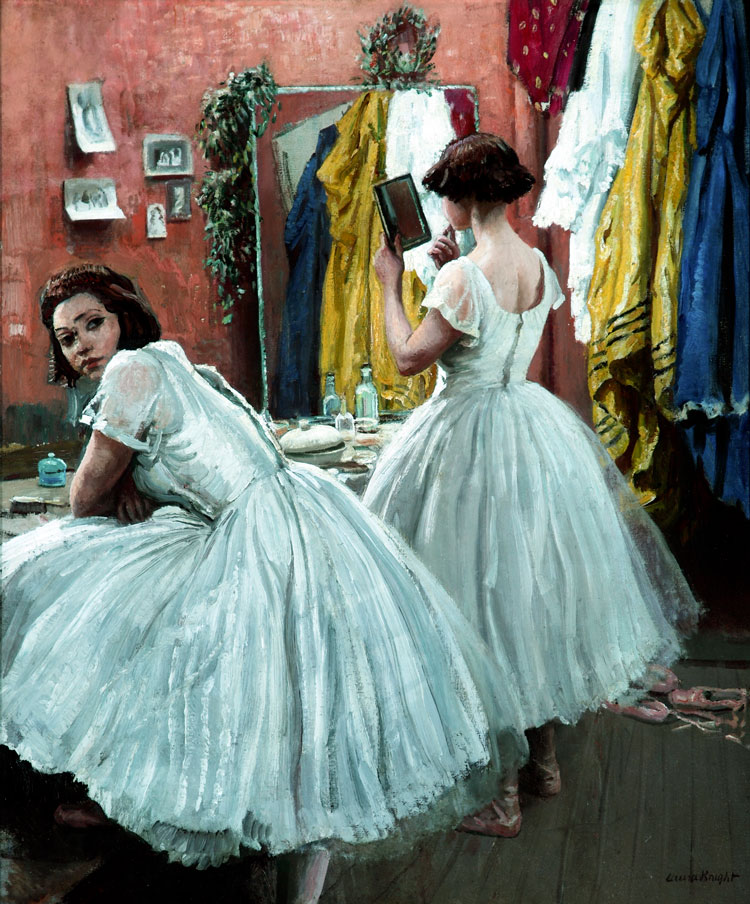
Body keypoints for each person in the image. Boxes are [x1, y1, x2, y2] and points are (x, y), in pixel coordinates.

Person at [1, 264, 528, 901]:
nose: (83, 344)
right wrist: (136, 486)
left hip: (258, 537)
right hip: (299, 513)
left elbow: (83, 498)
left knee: (55, 577)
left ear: (123, 320)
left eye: (94, 324)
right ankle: (148, 810)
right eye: (67, 337)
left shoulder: (131, 370)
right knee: (302, 713)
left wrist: (119, 490)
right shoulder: (172, 361)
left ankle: (128, 798)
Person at [365, 133, 702, 836]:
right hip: (528, 431)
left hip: (466, 440)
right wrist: (448, 274)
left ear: (468, 197)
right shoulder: (536, 263)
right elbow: (491, 323)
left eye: (449, 196)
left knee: (477, 605)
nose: (445, 208)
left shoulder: (460, 278)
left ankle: (500, 797)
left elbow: (404, 359)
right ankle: (542, 766)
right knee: (530, 602)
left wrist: (390, 284)